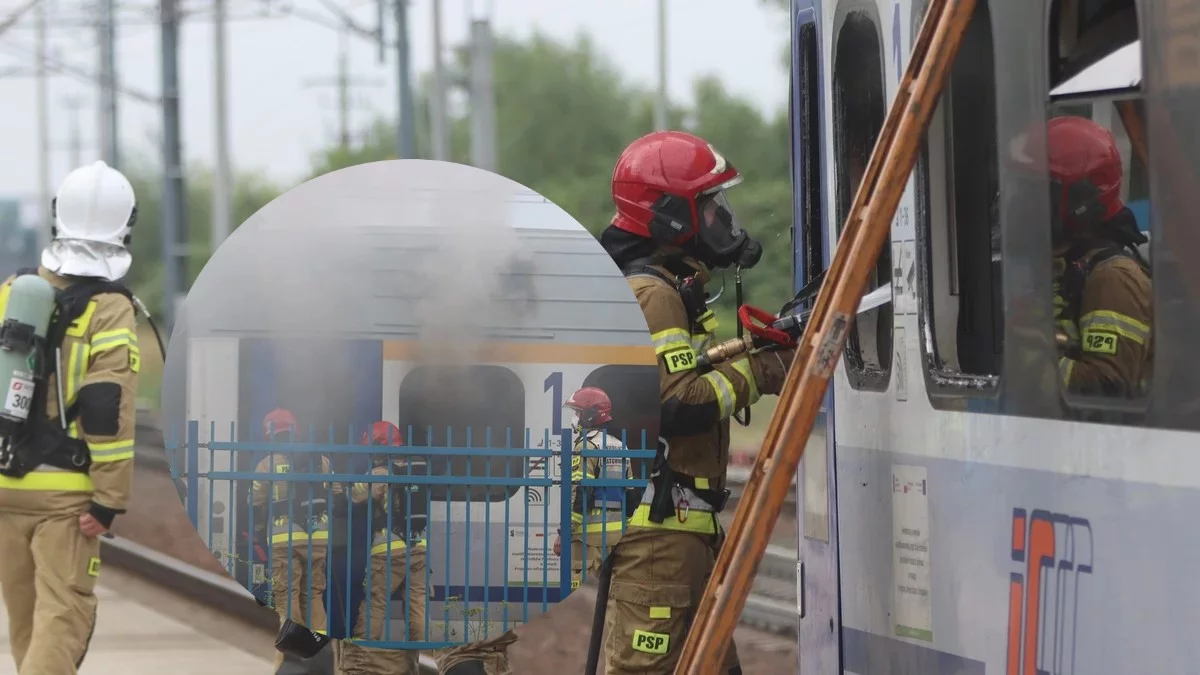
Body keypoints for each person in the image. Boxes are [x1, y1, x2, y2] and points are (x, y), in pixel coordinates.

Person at [595, 130, 795, 675]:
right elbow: (676, 404)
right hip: (660, 541)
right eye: (708, 205)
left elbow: (684, 374)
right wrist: (763, 371)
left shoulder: (664, 288)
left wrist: (756, 349)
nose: (720, 217)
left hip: (682, 532)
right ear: (668, 216)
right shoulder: (653, 295)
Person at [0, 161, 142, 674]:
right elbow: (107, 409)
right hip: (64, 496)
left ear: (58, 216)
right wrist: (109, 499)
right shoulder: (110, 308)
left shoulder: (12, 291)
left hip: (5, 481)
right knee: (62, 617)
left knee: (26, 623)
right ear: (125, 225)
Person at [1035, 116, 1153, 400]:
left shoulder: (1113, 278)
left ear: (1082, 200)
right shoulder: (1063, 264)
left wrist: (1028, 369)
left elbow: (1108, 386)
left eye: (1043, 191)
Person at [336, 421, 428, 675]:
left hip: (389, 547)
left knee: (375, 603)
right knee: (417, 605)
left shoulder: (381, 471)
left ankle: (361, 658)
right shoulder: (417, 467)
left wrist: (340, 487)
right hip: (419, 545)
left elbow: (356, 496)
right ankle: (420, 657)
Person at [252, 408, 337, 641]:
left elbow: (255, 500)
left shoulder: (267, 464)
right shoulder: (320, 461)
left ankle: (293, 649)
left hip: (284, 538)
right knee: (313, 594)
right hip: (318, 536)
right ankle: (318, 647)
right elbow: (337, 491)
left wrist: (258, 528)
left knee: (287, 594)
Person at [552, 386, 635, 590]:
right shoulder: (620, 446)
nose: (575, 418)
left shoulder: (586, 446)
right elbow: (631, 494)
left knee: (582, 596)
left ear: (591, 415)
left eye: (578, 412)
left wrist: (565, 533)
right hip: (616, 537)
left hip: (588, 540)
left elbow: (580, 493)